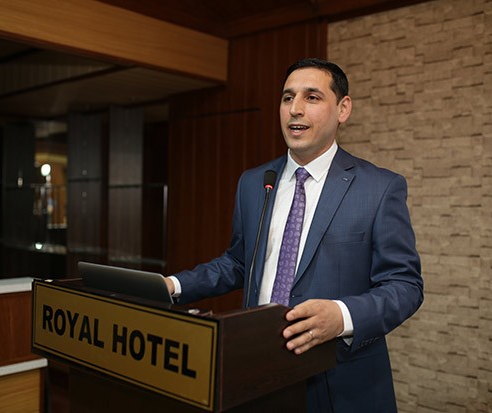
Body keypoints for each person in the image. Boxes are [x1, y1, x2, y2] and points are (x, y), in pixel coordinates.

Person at [164, 57, 423, 412]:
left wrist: (342, 316)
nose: (295, 109)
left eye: (312, 97)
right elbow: (238, 263)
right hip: (256, 375)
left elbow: (405, 286)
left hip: (340, 383)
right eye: (287, 98)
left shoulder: (379, 188)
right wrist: (173, 286)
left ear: (343, 109)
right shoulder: (255, 182)